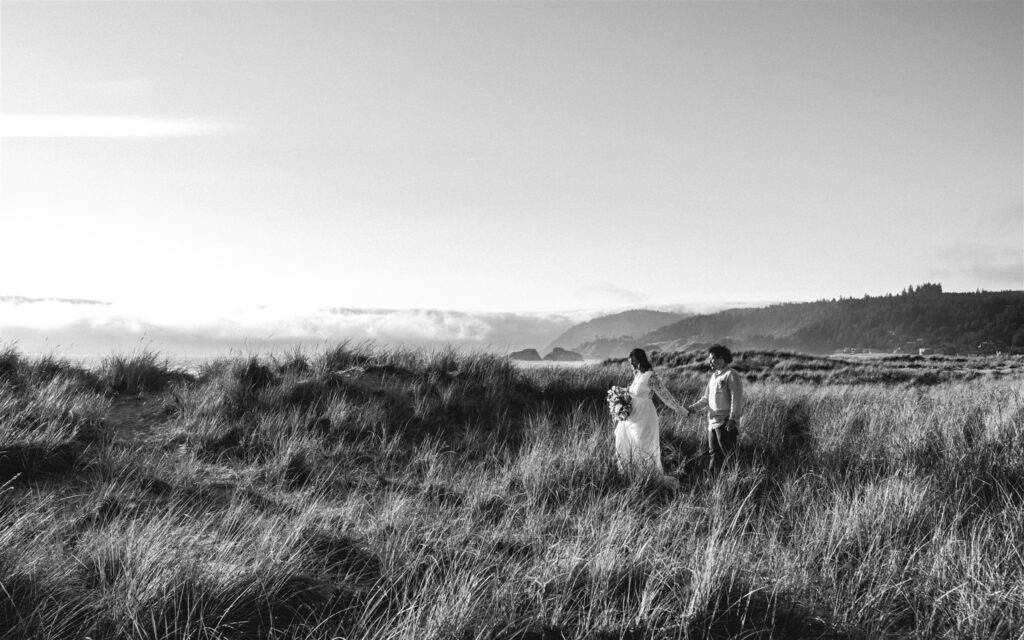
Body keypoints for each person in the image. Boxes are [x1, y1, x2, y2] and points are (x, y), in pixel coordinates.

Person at [614, 348, 685, 476]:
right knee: (628, 442)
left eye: (634, 361)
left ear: (641, 359)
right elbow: (632, 394)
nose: (632, 365)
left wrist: (680, 410)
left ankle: (648, 476)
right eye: (631, 362)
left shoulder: (650, 376)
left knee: (643, 444)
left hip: (645, 415)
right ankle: (632, 475)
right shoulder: (637, 375)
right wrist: (619, 400)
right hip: (632, 416)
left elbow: (665, 396)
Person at [686, 345, 744, 474]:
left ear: (722, 358)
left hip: (726, 422)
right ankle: (712, 481)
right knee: (714, 454)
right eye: (709, 359)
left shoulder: (731, 374)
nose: (710, 362)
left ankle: (736, 479)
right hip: (712, 423)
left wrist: (733, 419)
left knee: (729, 455)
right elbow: (706, 399)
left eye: (712, 359)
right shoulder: (713, 377)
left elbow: (737, 399)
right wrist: (692, 408)